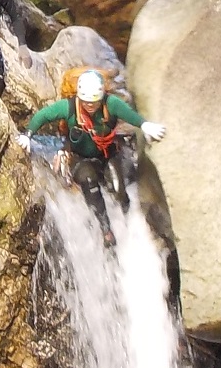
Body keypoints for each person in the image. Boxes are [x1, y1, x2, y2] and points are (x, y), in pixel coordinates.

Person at [23, 69, 166, 248]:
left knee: (118, 192)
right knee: (89, 181)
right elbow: (43, 115)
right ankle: (106, 230)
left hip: (107, 155)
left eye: (94, 102)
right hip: (79, 157)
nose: (90, 106)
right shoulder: (68, 107)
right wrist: (28, 135)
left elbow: (127, 113)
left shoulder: (110, 104)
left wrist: (144, 125)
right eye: (86, 102)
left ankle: (129, 222)